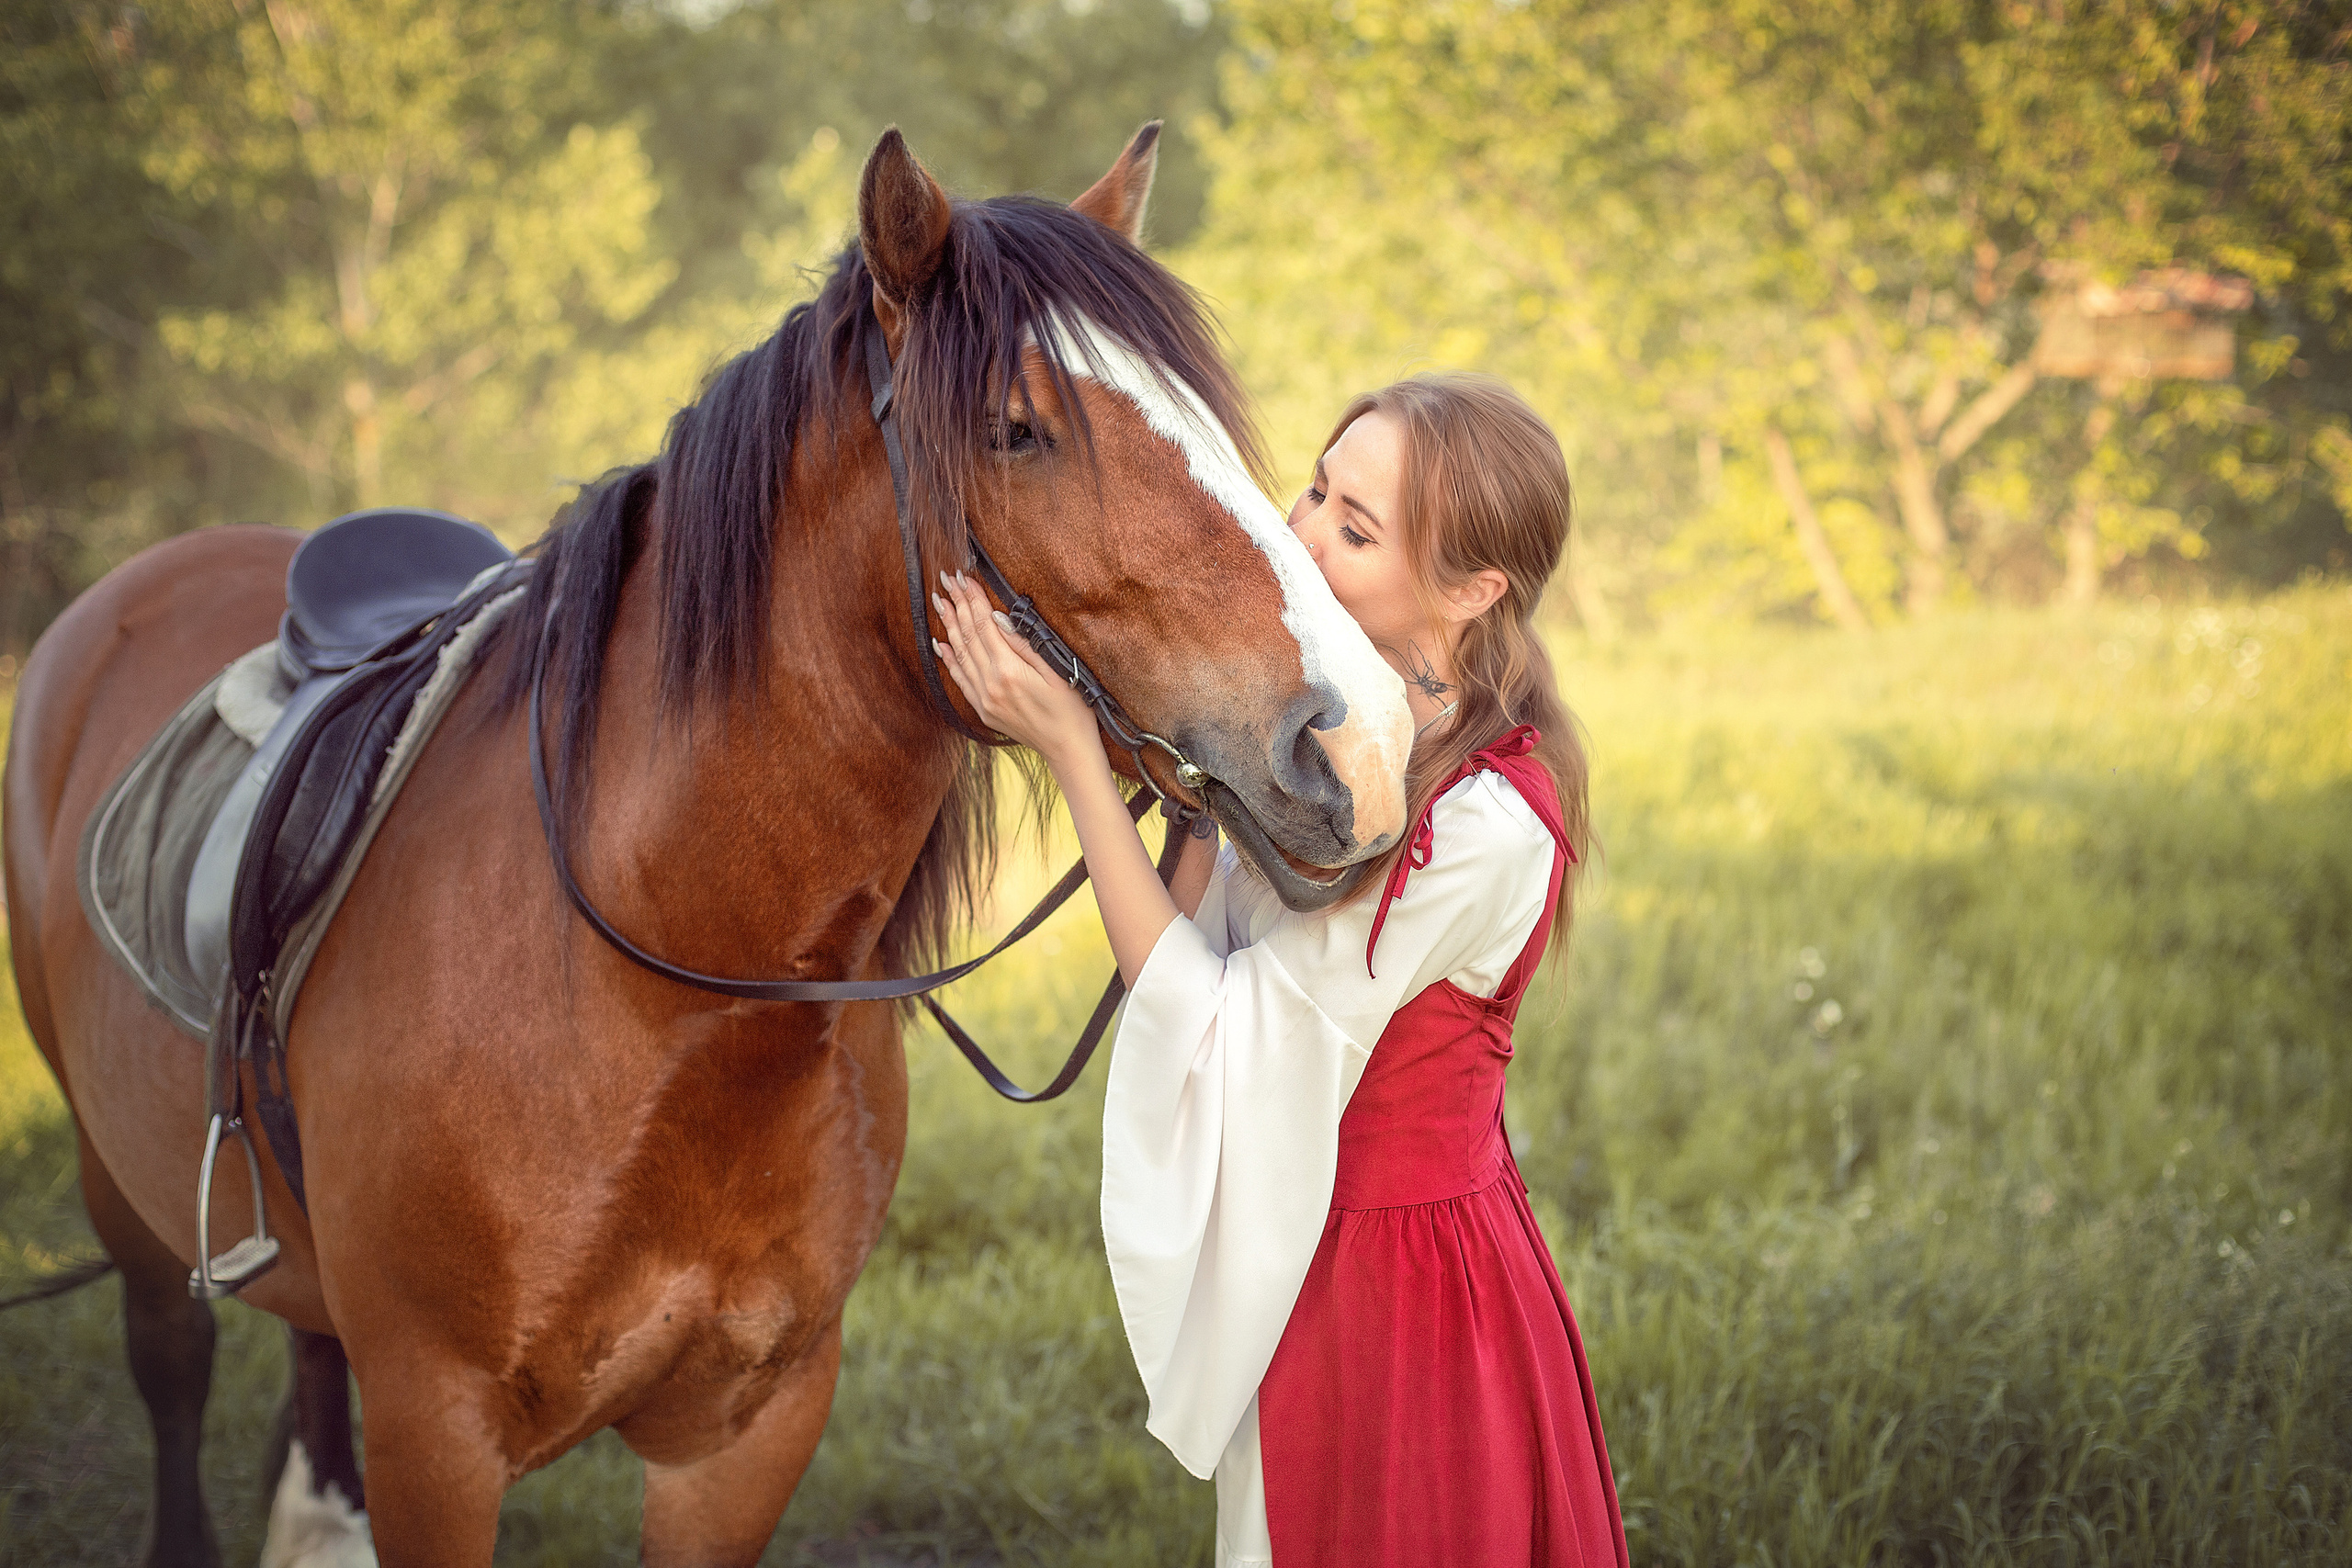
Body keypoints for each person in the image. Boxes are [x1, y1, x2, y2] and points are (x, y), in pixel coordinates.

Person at [932, 372, 1626, 1567]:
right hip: (1300, 1238)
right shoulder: (1329, 731)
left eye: (1355, 532)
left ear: (1471, 589)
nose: (1301, 534)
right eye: (1315, 489)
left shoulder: (1487, 826)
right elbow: (1193, 943)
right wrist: (1206, 758)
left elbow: (1214, 1024)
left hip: (1400, 1282)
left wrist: (1069, 755)